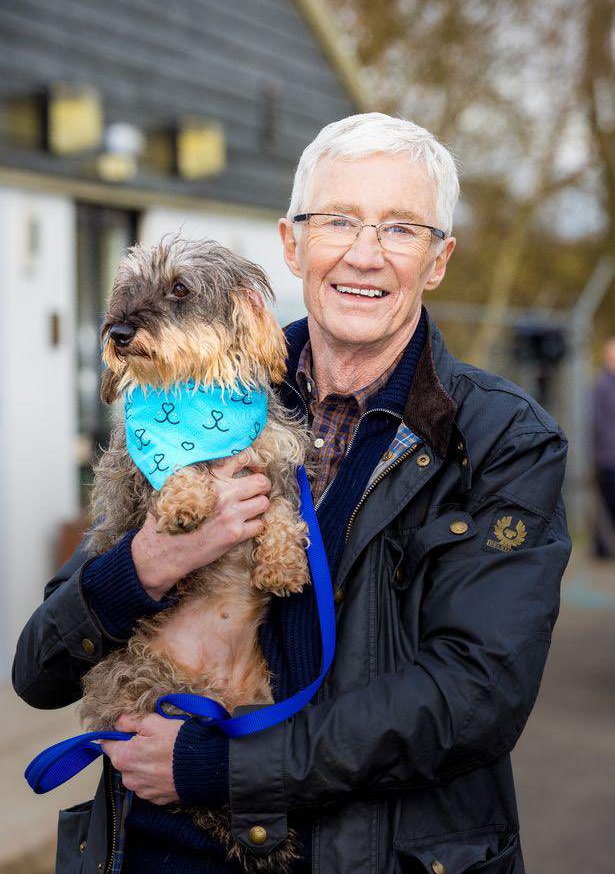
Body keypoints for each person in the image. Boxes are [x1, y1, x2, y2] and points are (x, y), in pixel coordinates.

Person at [13, 113, 571, 874]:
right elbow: (39, 669)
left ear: (437, 261)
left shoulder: (504, 439)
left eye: (401, 229)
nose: (364, 255)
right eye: (338, 220)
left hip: (365, 855)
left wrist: (221, 769)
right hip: (154, 850)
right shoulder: (193, 406)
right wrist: (145, 564)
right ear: (291, 243)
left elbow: (474, 695)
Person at [592, 336, 615, 556]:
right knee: (607, 502)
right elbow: (597, 423)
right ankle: (601, 548)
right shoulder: (602, 386)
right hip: (609, 456)